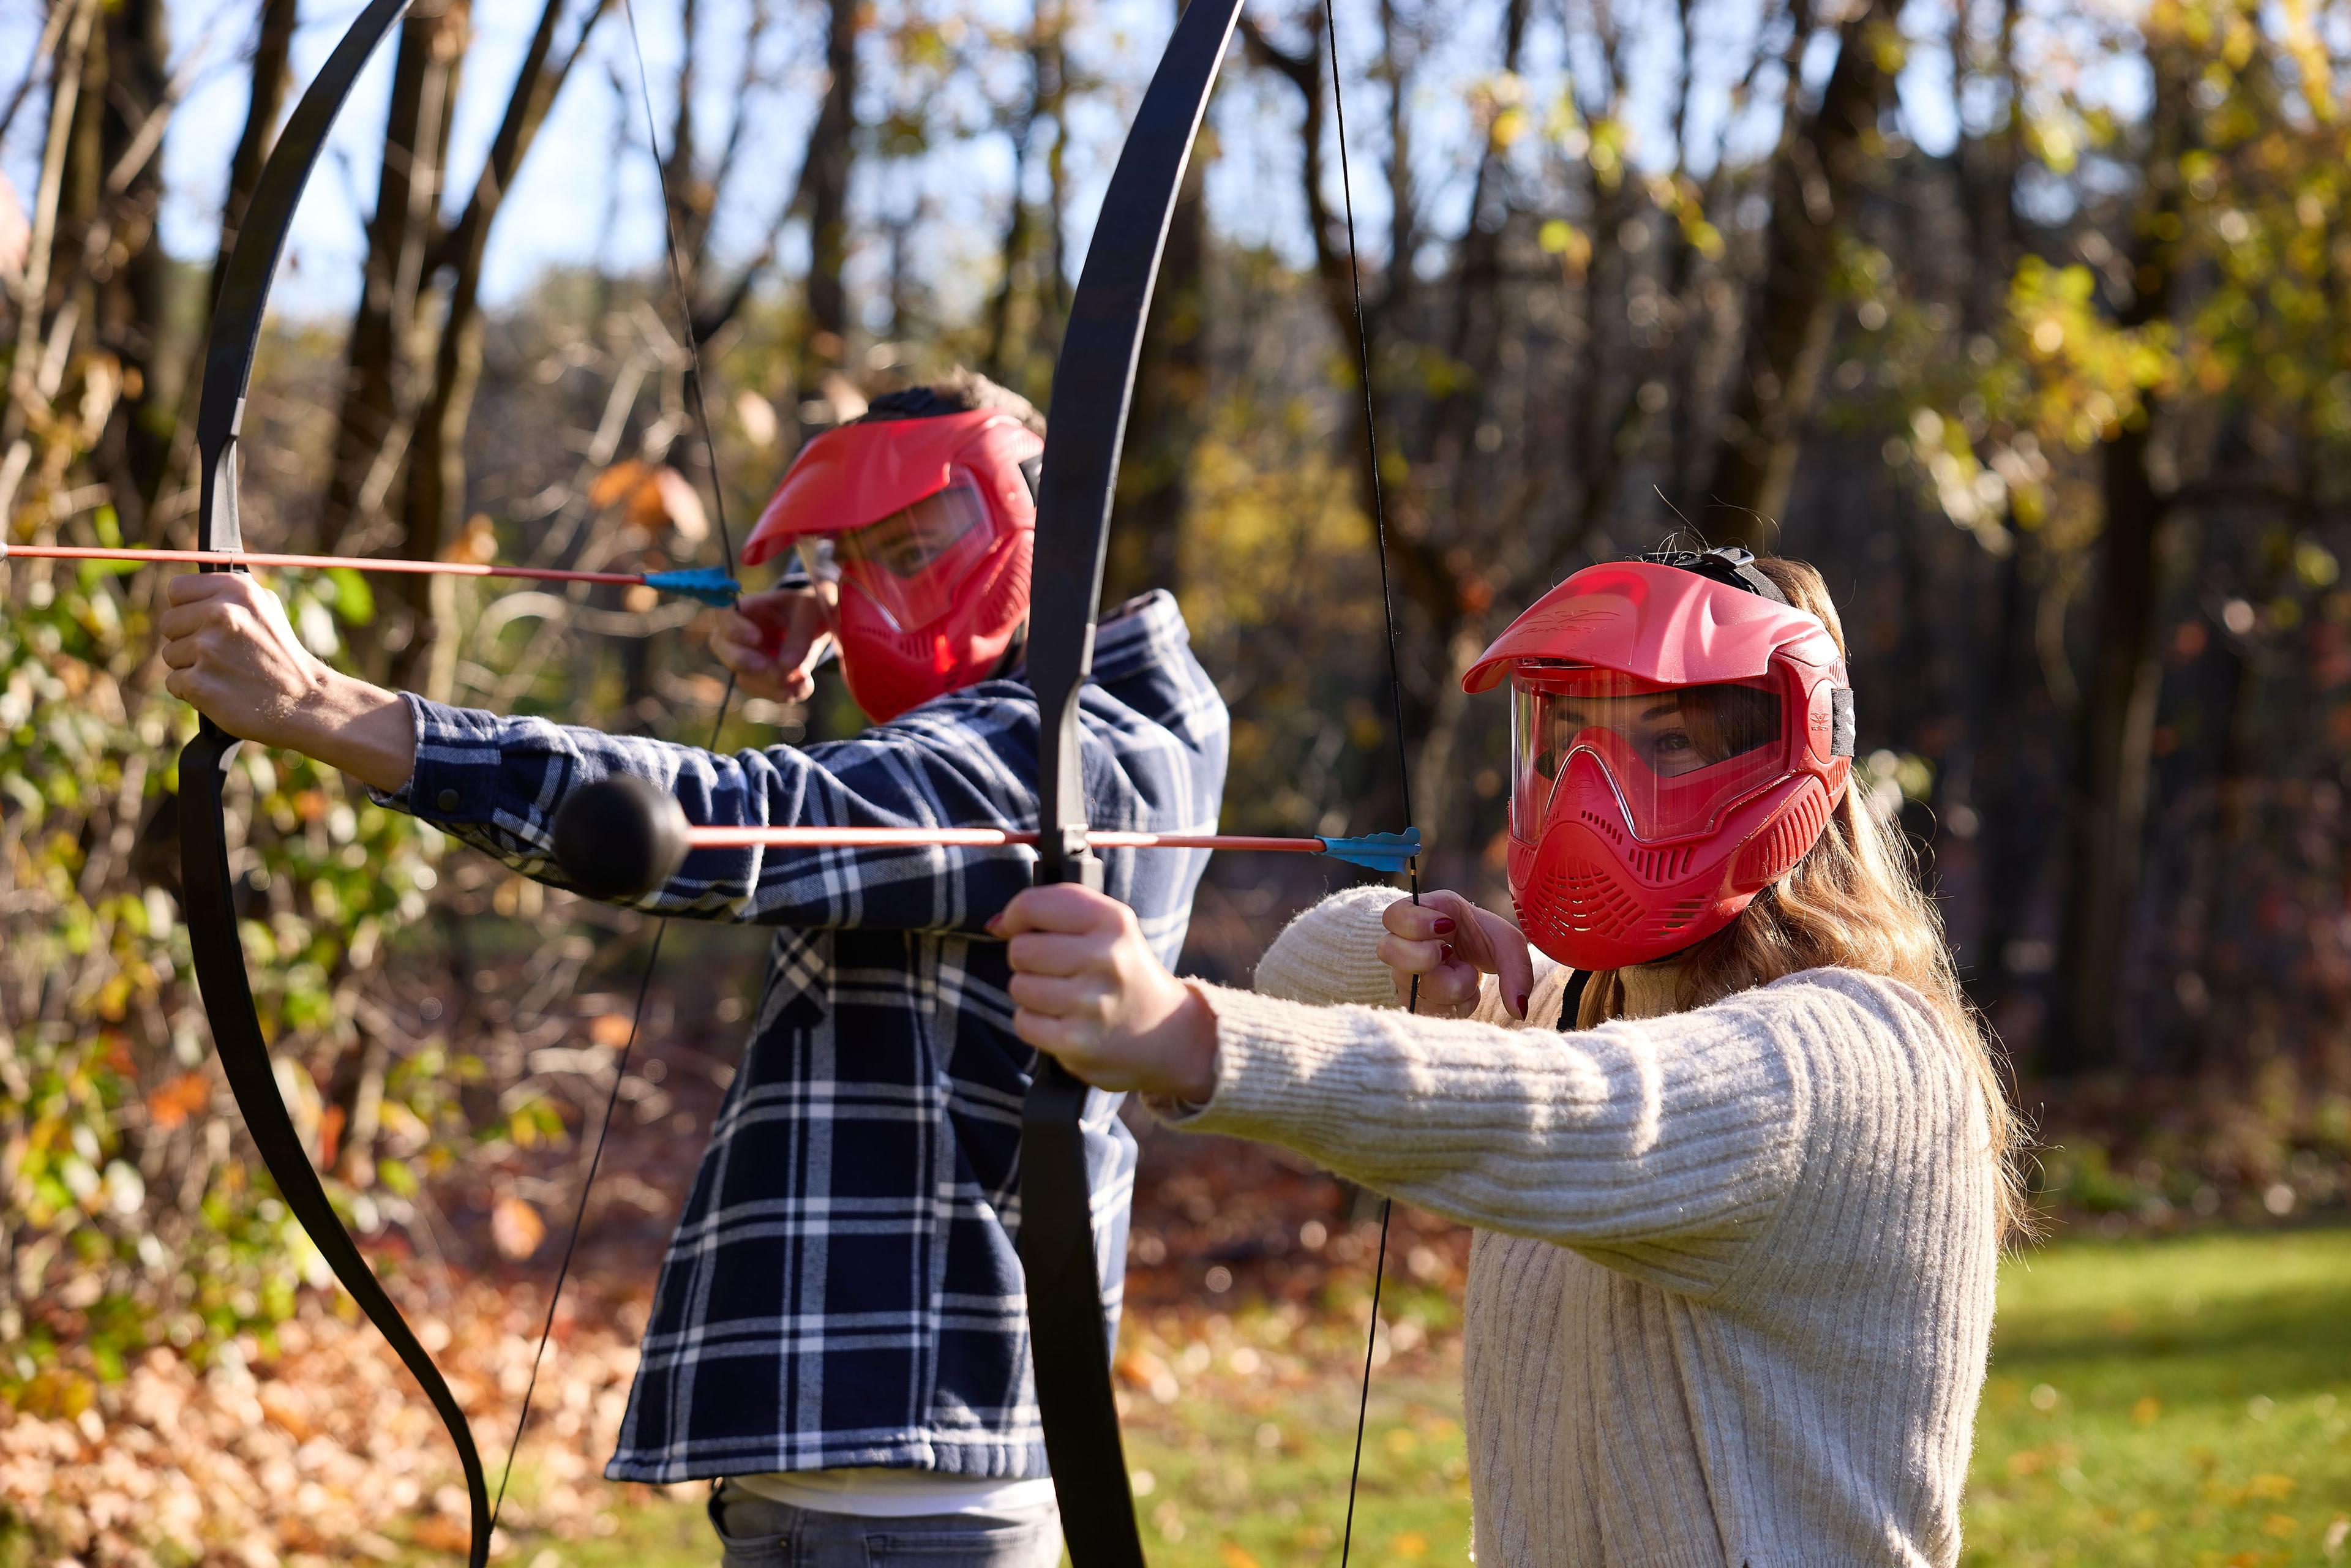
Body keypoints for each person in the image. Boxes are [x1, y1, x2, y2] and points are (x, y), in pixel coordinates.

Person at [157, 370, 1229, 1567]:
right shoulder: (1028, 741)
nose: (880, 594)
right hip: (856, 1488)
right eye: (858, 562)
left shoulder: (1080, 752)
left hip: (913, 1506)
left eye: (916, 550)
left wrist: (323, 705)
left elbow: (742, 822)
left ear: (1036, 530)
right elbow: (892, 839)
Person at [989, 547, 2028, 1567]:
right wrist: (1419, 946)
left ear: (1789, 759)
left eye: (1665, 747)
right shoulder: (1574, 1006)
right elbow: (1296, 978)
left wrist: (1186, 1034)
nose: (1593, 794)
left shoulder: (1869, 1057)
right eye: (1567, 743)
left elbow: (1597, 1110)